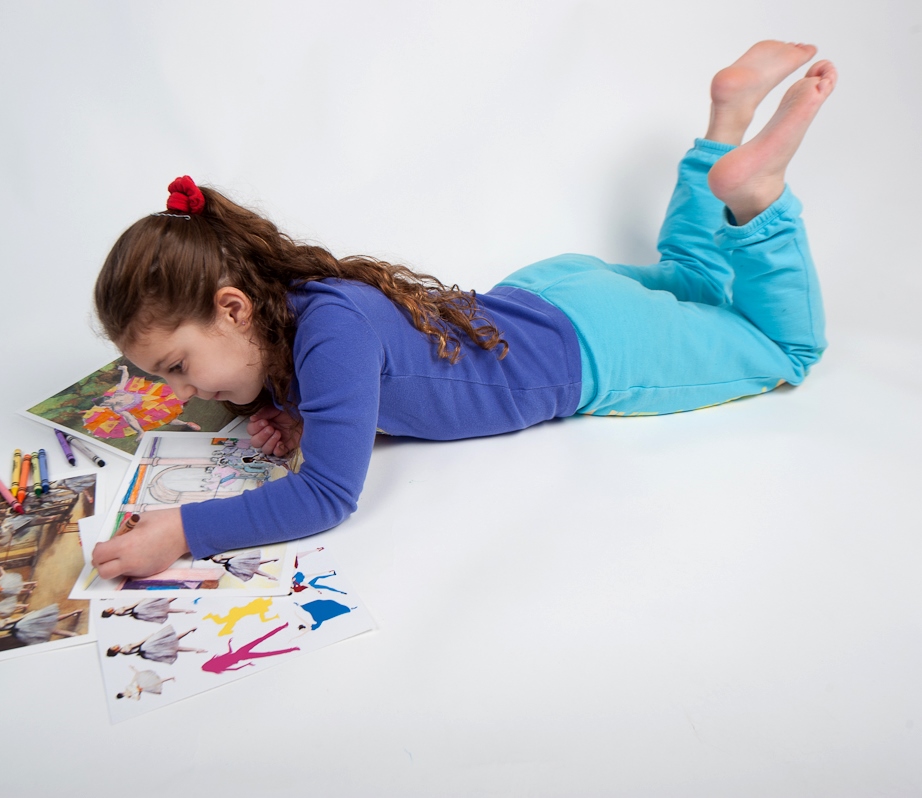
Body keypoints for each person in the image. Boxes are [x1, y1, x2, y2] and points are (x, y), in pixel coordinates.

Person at [90, 41, 835, 580]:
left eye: (178, 366)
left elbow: (326, 496)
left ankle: (758, 198)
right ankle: (727, 117)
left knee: (785, 352)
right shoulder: (295, 311)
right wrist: (298, 413)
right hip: (550, 291)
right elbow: (357, 384)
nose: (182, 392)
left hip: (598, 348)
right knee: (691, 278)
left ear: (232, 308)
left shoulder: (329, 338)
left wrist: (183, 530)